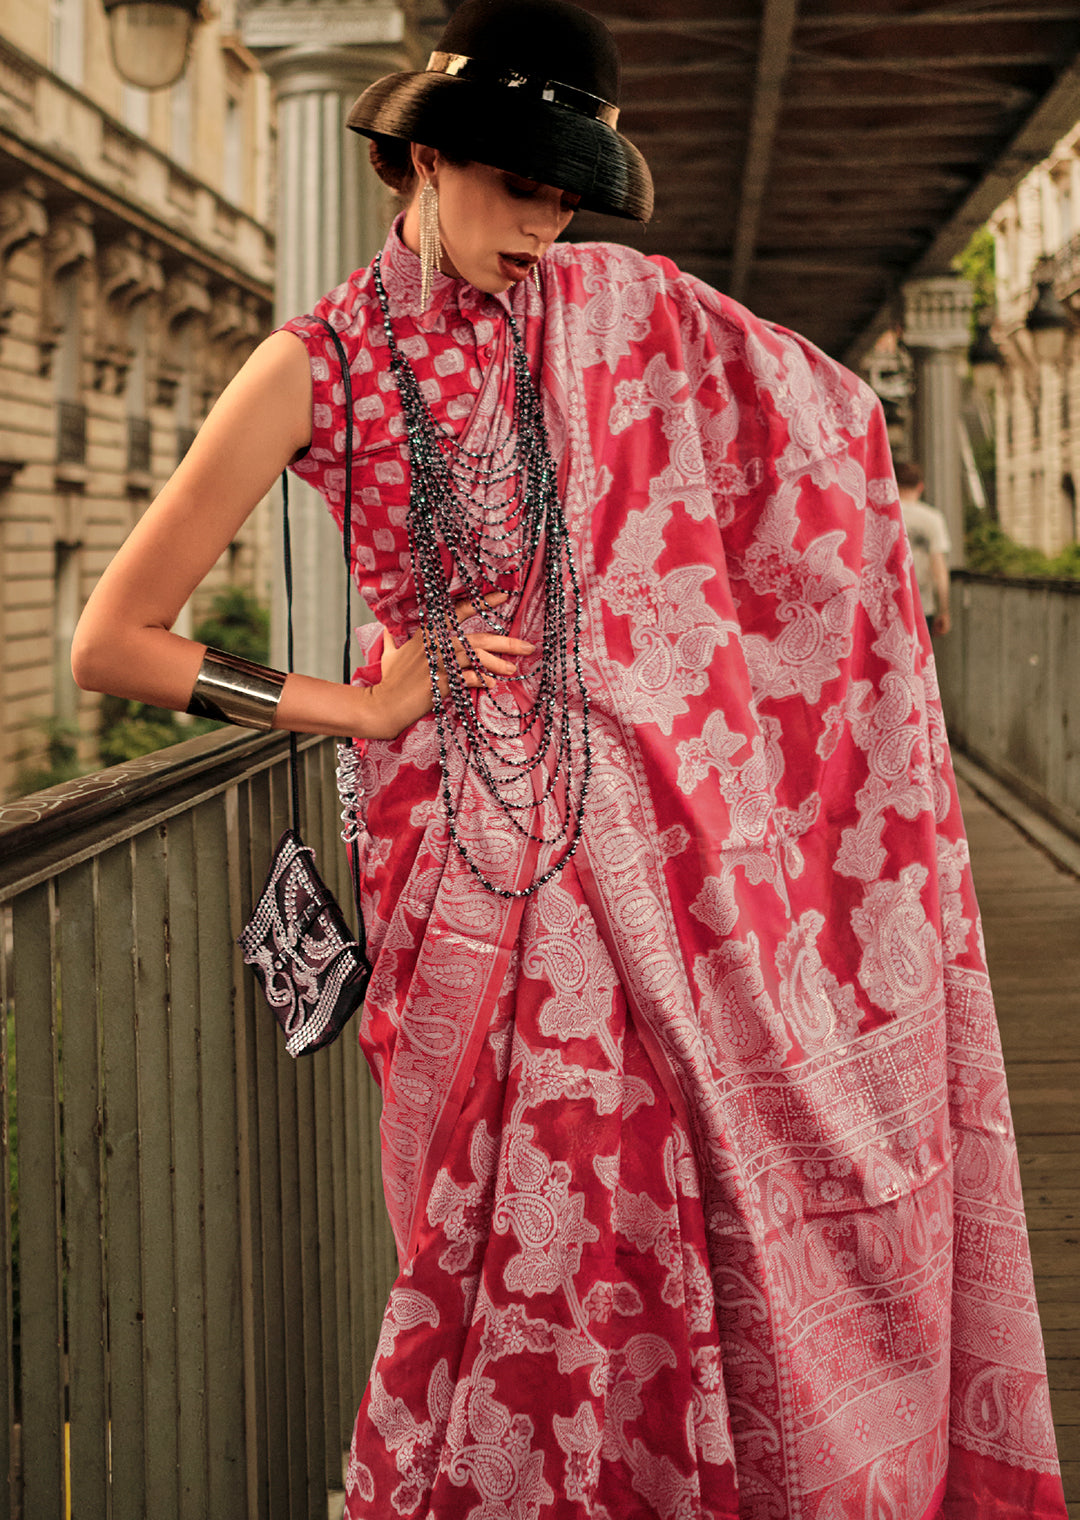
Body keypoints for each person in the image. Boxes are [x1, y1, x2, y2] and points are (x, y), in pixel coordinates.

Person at [72, 2, 1068, 1515]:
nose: (542, 230)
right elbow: (115, 640)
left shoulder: (615, 309)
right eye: (517, 188)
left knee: (663, 1165)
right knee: (509, 1218)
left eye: (563, 197)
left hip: (641, 832)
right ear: (421, 161)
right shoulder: (313, 365)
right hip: (462, 849)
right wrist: (353, 708)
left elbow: (837, 431)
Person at [895, 460, 952, 637]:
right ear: (920, 487)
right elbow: (939, 569)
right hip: (921, 605)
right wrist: (944, 609)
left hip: (884, 605)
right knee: (917, 662)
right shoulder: (932, 519)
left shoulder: (879, 514)